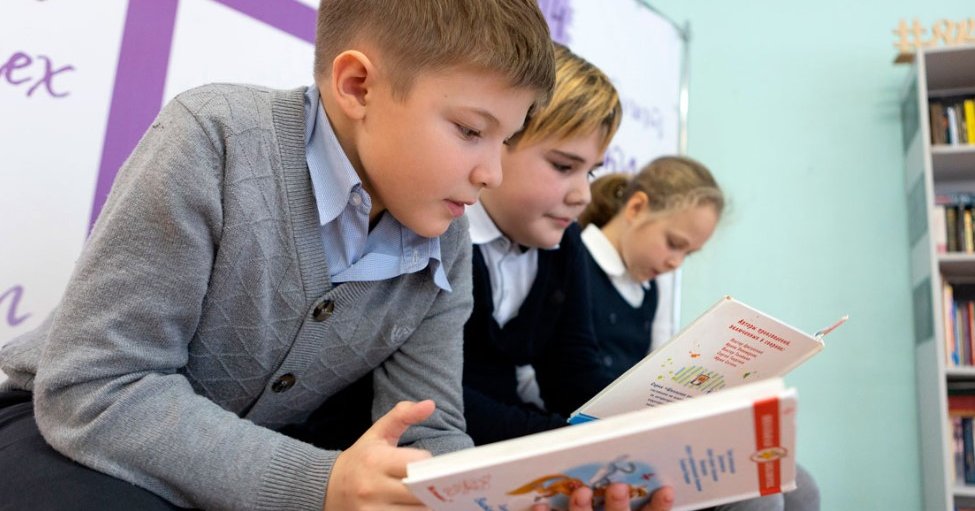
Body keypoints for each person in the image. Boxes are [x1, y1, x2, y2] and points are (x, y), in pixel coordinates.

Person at [0, 1, 555, 510]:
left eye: (506, 140)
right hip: (66, 431)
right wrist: (321, 482)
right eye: (470, 130)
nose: (492, 173)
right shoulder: (216, 139)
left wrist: (509, 498)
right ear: (358, 86)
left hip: (240, 471)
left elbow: (427, 434)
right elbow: (96, 389)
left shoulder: (446, 240)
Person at [461, 43, 674, 511]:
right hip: (462, 450)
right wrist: (573, 443)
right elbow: (441, 400)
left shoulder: (564, 243)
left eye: (591, 172)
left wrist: (640, 430)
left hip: (521, 444)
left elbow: (572, 370)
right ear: (496, 140)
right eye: (563, 167)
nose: (583, 196)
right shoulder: (444, 232)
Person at [578, 158, 821, 511]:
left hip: (648, 432)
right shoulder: (575, 261)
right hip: (599, 438)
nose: (676, 263)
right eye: (673, 243)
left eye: (688, 254)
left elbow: (656, 368)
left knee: (802, 489)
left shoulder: (649, 289)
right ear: (636, 208)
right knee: (758, 498)